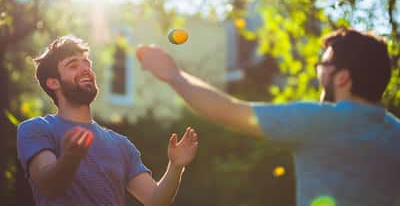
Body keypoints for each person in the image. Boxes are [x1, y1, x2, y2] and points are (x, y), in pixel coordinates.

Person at [136, 28, 400, 206]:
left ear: (342, 77)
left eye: (323, 65)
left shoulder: (318, 121)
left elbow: (227, 111)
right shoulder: (395, 132)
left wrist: (173, 75)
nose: (319, 72)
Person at [17, 35, 198, 206]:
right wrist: (69, 158)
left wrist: (175, 166)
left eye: (87, 63)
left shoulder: (120, 144)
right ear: (53, 83)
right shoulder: (36, 129)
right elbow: (48, 186)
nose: (86, 69)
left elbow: (155, 200)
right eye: (73, 66)